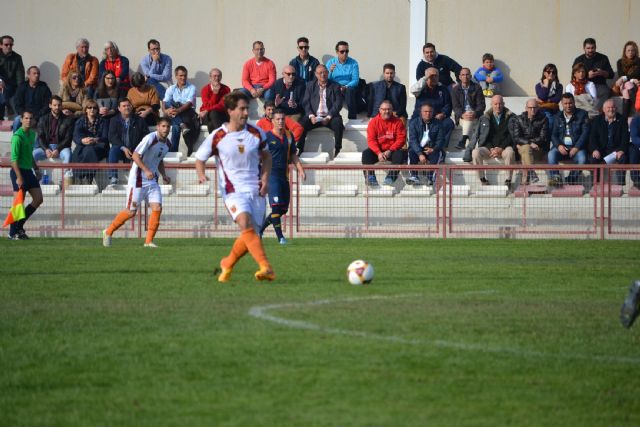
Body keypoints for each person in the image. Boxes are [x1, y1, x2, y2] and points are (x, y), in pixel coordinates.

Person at [195, 91, 276, 282]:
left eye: (247, 108)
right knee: (245, 224)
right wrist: (201, 173)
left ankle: (227, 263)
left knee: (251, 235)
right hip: (232, 191)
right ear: (230, 111)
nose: (246, 113)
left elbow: (267, 157)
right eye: (242, 109)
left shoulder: (256, 133)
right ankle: (266, 267)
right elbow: (200, 158)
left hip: (256, 190)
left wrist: (265, 178)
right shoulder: (218, 136)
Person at [102, 117, 171, 248]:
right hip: (138, 178)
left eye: (167, 126)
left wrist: (164, 175)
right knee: (131, 212)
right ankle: (108, 231)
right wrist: (146, 170)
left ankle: (148, 242)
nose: (165, 129)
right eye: (163, 126)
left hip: (152, 180)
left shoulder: (168, 144)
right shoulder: (150, 138)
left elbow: (159, 159)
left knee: (157, 208)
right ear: (157, 127)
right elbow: (135, 155)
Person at [259, 108, 305, 244]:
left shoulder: (289, 136)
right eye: (278, 119)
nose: (280, 121)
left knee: (283, 209)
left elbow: (292, 155)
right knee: (276, 206)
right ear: (272, 121)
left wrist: (300, 169)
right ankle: (281, 238)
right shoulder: (266, 137)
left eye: (282, 119)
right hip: (271, 175)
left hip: (284, 176)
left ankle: (260, 230)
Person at [8, 110, 42, 240]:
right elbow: (13, 160)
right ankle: (12, 233)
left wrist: (36, 168)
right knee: (18, 203)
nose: (28, 120)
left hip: (28, 171)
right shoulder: (17, 136)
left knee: (38, 199)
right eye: (26, 118)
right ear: (21, 119)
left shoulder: (32, 134)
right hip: (19, 172)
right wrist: (19, 177)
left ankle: (19, 226)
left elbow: (29, 154)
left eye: (30, 118)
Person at [297, 64, 344, 157]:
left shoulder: (335, 86)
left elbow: (338, 103)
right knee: (302, 124)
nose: (323, 75)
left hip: (330, 117)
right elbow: (306, 102)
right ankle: (299, 149)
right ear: (316, 74)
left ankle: (338, 149)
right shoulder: (310, 85)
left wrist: (329, 117)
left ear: (328, 73)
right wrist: (311, 116)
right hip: (314, 116)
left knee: (338, 123)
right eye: (320, 73)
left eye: (324, 72)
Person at [470, 95, 516, 186]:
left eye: (500, 104)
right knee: (475, 152)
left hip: (504, 147)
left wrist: (501, 148)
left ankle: (508, 180)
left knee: (510, 152)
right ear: (491, 104)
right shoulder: (484, 118)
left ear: (503, 104)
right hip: (489, 148)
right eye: (495, 104)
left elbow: (512, 136)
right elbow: (483, 136)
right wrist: (491, 148)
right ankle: (482, 178)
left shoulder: (512, 117)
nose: (498, 106)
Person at [548, 93, 589, 186]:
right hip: (562, 146)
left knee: (582, 160)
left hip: (577, 147)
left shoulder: (583, 114)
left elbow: (585, 133)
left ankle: (570, 179)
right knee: (551, 155)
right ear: (562, 104)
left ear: (574, 103)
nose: (568, 105)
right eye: (565, 103)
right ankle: (556, 179)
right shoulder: (557, 116)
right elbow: (553, 135)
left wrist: (577, 147)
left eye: (570, 103)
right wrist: (558, 146)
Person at [362, 100, 407, 187]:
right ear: (379, 110)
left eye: (389, 109)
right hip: (378, 151)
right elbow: (371, 140)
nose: (386, 111)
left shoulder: (398, 122)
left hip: (392, 150)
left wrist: (390, 150)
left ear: (392, 110)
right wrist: (378, 152)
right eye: (384, 109)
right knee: (366, 153)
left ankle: (391, 177)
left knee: (400, 154)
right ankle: (370, 177)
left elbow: (401, 139)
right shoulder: (373, 122)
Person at [107, 97, 148, 186]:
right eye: (124, 106)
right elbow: (112, 137)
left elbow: (146, 136)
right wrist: (124, 148)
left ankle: (140, 178)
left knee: (144, 152)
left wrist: (138, 149)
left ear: (132, 107)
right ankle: (113, 177)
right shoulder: (113, 120)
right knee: (113, 150)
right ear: (119, 108)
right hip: (120, 149)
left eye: (128, 105)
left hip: (135, 149)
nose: (126, 108)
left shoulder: (140, 120)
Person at [588, 99, 628, 185]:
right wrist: (595, 149)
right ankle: (596, 184)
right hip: (601, 150)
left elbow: (625, 138)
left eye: (613, 107)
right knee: (592, 159)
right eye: (608, 107)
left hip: (616, 150)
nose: (611, 109)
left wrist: (622, 150)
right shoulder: (597, 120)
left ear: (616, 108)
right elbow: (592, 138)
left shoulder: (622, 120)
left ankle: (621, 184)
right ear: (603, 109)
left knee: (623, 158)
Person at [410, 67, 454, 145]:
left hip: (437, 117)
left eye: (436, 75)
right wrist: (425, 78)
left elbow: (448, 105)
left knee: (449, 123)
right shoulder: (420, 88)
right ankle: (418, 145)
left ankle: (440, 145)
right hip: (420, 117)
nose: (433, 78)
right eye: (431, 76)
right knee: (412, 123)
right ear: (426, 77)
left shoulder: (443, 89)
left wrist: (443, 114)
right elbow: (413, 90)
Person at [511, 99, 549, 185]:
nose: (533, 110)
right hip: (524, 148)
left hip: (538, 149)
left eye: (535, 107)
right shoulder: (519, 119)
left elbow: (542, 138)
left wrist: (527, 143)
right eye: (530, 107)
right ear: (526, 108)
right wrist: (530, 143)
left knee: (525, 151)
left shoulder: (543, 119)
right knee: (526, 148)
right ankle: (532, 172)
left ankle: (526, 180)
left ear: (538, 108)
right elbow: (516, 137)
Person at [162, 65, 198, 154]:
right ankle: (181, 124)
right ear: (176, 76)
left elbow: (189, 103)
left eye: (185, 75)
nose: (183, 77)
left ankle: (173, 152)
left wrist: (177, 111)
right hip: (174, 111)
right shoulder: (171, 88)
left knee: (175, 126)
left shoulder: (192, 87)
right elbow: (164, 102)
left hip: (187, 111)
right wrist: (165, 111)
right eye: (181, 75)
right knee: (169, 103)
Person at [34, 95, 74, 177]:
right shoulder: (43, 119)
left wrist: (58, 149)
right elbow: (40, 137)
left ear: (61, 106)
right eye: (55, 105)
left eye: (59, 105)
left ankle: (66, 179)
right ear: (50, 105)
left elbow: (68, 138)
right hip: (47, 146)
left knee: (68, 155)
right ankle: (34, 175)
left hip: (62, 147)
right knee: (33, 155)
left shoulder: (68, 120)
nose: (57, 107)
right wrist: (46, 149)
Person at [72, 99, 109, 184]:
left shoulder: (103, 121)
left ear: (97, 110)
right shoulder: (80, 121)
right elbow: (76, 135)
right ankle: (88, 177)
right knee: (78, 153)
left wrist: (95, 140)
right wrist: (82, 140)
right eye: (89, 107)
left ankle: (82, 177)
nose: (92, 109)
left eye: (95, 108)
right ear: (86, 109)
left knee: (89, 150)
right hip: (84, 145)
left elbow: (105, 137)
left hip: (99, 146)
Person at [407, 103, 445, 186]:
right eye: (425, 111)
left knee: (437, 153)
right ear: (421, 112)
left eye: (430, 111)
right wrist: (420, 154)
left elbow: (441, 140)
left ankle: (430, 177)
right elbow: (413, 140)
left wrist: (433, 149)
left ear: (433, 112)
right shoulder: (413, 123)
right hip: (418, 149)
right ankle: (414, 176)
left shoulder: (438, 124)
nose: (428, 113)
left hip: (432, 148)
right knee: (411, 152)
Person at [573, 37, 614, 110]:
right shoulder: (579, 60)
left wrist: (602, 72)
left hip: (599, 85)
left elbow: (611, 75)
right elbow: (574, 75)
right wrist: (587, 76)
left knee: (606, 91)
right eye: (588, 48)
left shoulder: (603, 58)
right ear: (584, 48)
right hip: (583, 85)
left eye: (592, 48)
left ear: (595, 47)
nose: (590, 50)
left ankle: (595, 112)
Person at [326, 41, 364, 120]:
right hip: (335, 86)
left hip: (349, 86)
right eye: (342, 51)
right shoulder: (330, 62)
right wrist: (330, 72)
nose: (345, 53)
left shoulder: (353, 63)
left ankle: (352, 118)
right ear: (337, 52)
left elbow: (355, 80)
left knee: (350, 91)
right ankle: (330, 117)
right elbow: (326, 80)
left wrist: (346, 86)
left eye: (347, 51)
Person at [451, 67, 485, 149]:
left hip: (475, 115)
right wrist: (462, 114)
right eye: (463, 75)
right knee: (467, 118)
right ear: (459, 77)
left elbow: (481, 105)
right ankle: (465, 140)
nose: (465, 77)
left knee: (469, 117)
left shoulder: (477, 88)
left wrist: (475, 113)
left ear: (470, 76)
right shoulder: (455, 89)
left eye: (467, 75)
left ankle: (463, 140)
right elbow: (455, 106)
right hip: (461, 116)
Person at [11, 66, 52, 132]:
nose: (37, 75)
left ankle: (40, 141)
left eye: (38, 73)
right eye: (34, 73)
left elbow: (47, 105)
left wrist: (36, 117)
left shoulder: (44, 87)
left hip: (39, 115)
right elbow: (17, 104)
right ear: (29, 75)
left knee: (43, 121)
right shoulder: (22, 86)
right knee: (17, 120)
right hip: (25, 115)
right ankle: (16, 140)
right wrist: (24, 116)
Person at [612, 41, 640, 121]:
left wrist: (627, 78)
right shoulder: (620, 62)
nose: (630, 52)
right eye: (628, 50)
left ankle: (624, 119)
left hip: (635, 86)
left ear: (635, 51)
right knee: (627, 84)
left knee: (626, 92)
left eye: (632, 50)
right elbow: (621, 75)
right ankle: (637, 107)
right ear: (625, 52)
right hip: (624, 85)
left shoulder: (639, 62)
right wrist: (632, 79)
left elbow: (637, 74)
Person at [0, 35, 25, 119]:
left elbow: (20, 75)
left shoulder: (17, 58)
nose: (9, 46)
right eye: (6, 44)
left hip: (11, 87)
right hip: (1, 85)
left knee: (17, 96)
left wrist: (20, 90)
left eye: (11, 45)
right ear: (1, 45)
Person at [199, 68, 230, 133]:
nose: (217, 78)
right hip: (206, 116)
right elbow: (207, 105)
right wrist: (215, 94)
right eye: (214, 76)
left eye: (219, 76)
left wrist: (207, 110)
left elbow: (222, 105)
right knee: (213, 113)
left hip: (221, 114)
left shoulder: (226, 89)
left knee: (212, 121)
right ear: (210, 78)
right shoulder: (205, 89)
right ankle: (221, 137)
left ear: (221, 77)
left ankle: (216, 140)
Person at [535, 63, 563, 128]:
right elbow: (542, 96)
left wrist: (544, 101)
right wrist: (546, 85)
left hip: (554, 109)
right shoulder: (538, 86)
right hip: (543, 110)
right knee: (550, 120)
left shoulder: (559, 86)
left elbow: (557, 100)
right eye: (548, 72)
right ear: (544, 73)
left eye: (553, 72)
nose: (551, 74)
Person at [630, 113, 640, 188]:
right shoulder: (636, 120)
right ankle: (636, 179)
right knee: (633, 151)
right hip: (638, 146)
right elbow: (634, 138)